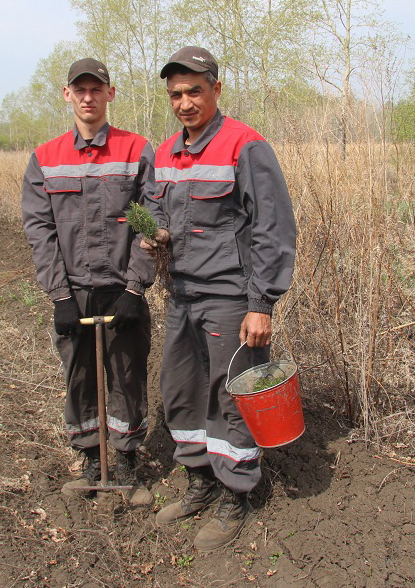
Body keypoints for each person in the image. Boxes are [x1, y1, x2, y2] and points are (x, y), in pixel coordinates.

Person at [142, 46, 297, 550]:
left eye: (194, 91)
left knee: (231, 396)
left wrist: (261, 304)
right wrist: (157, 235)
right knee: (182, 389)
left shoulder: (245, 146)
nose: (185, 103)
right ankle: (200, 482)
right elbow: (163, 215)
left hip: (231, 295)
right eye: (175, 95)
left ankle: (236, 493)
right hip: (181, 294)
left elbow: (272, 229)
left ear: (216, 89)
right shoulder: (165, 154)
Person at [22, 58, 154, 506]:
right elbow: (39, 232)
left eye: (96, 89)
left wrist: (135, 288)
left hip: (121, 288)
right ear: (66, 94)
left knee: (127, 374)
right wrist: (59, 296)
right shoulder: (45, 157)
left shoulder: (137, 150)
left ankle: (126, 459)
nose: (87, 97)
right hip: (74, 290)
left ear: (110, 94)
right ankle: (90, 458)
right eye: (79, 89)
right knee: (79, 377)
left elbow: (150, 223)